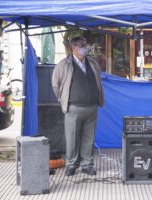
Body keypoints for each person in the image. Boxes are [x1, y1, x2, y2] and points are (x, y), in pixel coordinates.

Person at [52, 36, 104, 176]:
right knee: (72, 138)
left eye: (85, 44)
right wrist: (63, 99)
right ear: (72, 48)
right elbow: (55, 85)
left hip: (91, 107)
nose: (83, 47)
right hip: (73, 107)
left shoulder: (93, 63)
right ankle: (71, 164)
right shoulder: (63, 64)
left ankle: (87, 164)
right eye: (80, 45)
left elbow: (98, 81)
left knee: (89, 137)